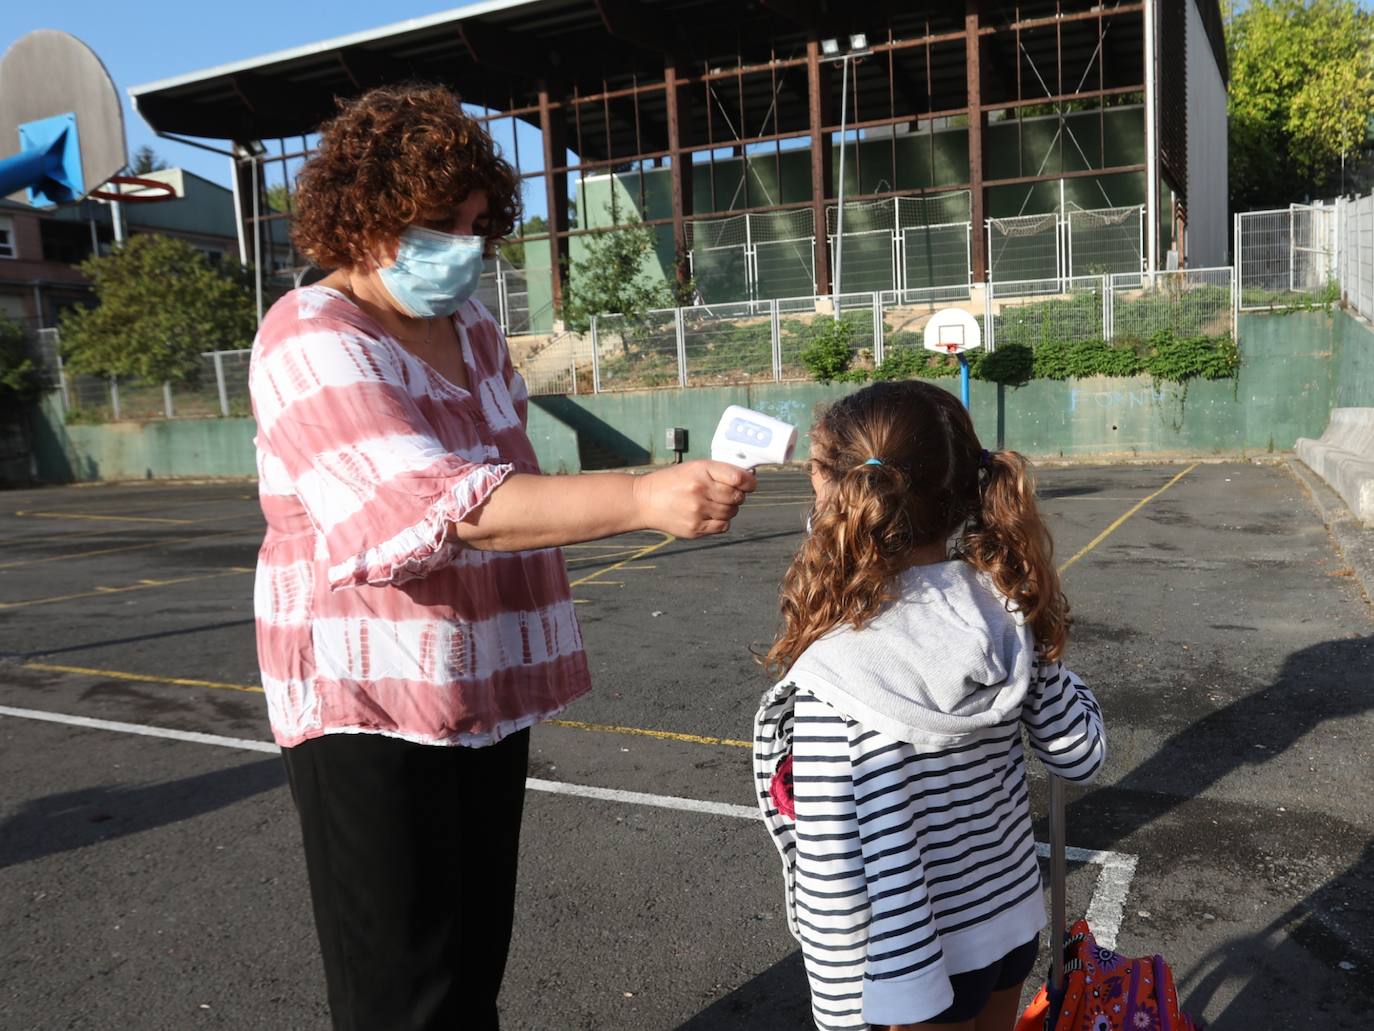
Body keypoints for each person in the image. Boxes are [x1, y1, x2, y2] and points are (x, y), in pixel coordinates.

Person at [248, 84, 755, 1031]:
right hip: (371, 691)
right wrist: (644, 496)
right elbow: (436, 504)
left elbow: (502, 469)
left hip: (480, 679)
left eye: (478, 223)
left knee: (474, 957)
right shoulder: (309, 334)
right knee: (401, 989)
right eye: (438, 222)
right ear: (360, 214)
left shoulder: (473, 329)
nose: (464, 247)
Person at [753, 381, 1106, 1031]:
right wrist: (1046, 651)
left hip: (914, 964)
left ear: (830, 490)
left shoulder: (834, 673)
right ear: (966, 491)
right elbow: (1078, 752)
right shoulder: (1005, 607)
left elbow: (834, 882)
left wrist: (839, 1016)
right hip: (1008, 922)